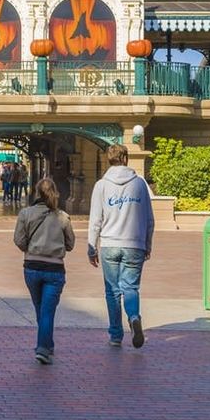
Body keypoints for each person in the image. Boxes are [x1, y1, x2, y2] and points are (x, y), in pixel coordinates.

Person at [88, 144, 154, 349]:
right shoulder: (140, 184)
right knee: (131, 287)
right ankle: (134, 317)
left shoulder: (101, 185)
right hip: (134, 244)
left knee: (112, 291)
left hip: (109, 243)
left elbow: (95, 220)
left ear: (108, 159)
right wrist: (147, 243)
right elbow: (149, 219)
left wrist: (92, 246)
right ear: (125, 158)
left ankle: (116, 335)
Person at [13, 178, 75, 364]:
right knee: (47, 311)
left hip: (32, 267)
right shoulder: (62, 217)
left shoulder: (26, 214)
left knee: (40, 308)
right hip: (55, 269)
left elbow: (19, 240)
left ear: (36, 192)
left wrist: (30, 248)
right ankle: (43, 348)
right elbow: (70, 244)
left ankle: (47, 344)